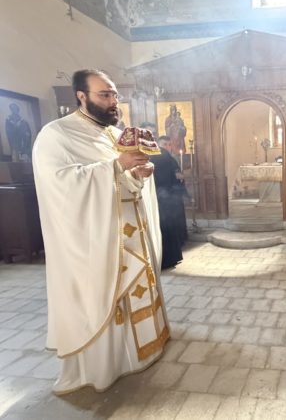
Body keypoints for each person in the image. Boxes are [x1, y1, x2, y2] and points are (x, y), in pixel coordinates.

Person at [32, 69, 170, 394]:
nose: (113, 102)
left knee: (137, 288)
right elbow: (60, 185)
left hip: (132, 234)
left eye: (115, 95)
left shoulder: (116, 134)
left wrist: (138, 174)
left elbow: (123, 182)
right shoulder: (57, 135)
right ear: (81, 96)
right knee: (106, 294)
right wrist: (116, 165)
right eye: (104, 95)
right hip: (97, 240)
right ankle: (110, 364)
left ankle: (142, 351)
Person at [150, 135, 188, 269]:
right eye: (167, 144)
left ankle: (163, 259)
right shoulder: (166, 156)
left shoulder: (152, 156)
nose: (169, 147)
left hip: (158, 197)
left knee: (161, 227)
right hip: (168, 197)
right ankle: (172, 258)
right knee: (169, 227)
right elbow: (177, 176)